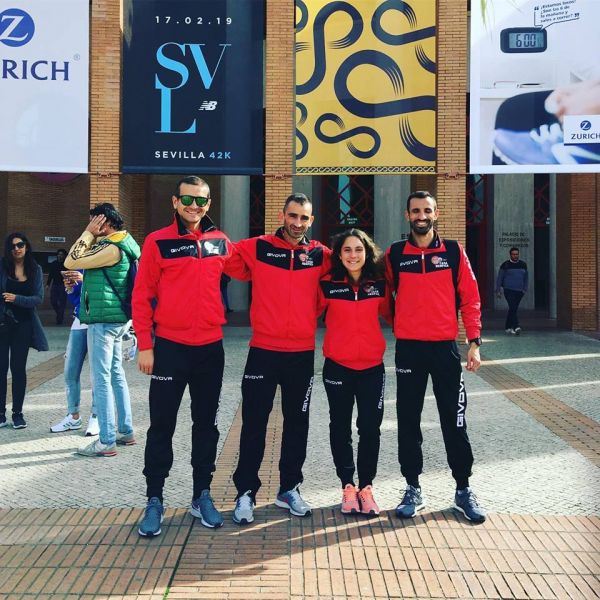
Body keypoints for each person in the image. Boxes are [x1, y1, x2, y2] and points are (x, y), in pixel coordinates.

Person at [133, 176, 235, 537]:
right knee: (162, 425)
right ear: (175, 202)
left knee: (205, 425)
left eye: (202, 201)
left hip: (210, 349)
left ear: (209, 204)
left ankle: (200, 495)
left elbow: (252, 267)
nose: (195, 206)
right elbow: (141, 295)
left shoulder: (221, 242)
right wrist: (145, 345)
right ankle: (154, 499)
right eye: (189, 199)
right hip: (171, 348)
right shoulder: (157, 242)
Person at [226, 192, 331, 525]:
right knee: (254, 423)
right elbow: (224, 258)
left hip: (301, 353)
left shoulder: (320, 254)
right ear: (283, 215)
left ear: (311, 221)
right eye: (292, 216)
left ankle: (289, 488)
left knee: (297, 424)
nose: (297, 223)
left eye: (304, 218)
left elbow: (349, 271)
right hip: (263, 351)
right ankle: (245, 493)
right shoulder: (258, 247)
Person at [385, 191, 487, 524]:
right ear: (407, 215)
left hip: (445, 349)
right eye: (415, 210)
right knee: (408, 421)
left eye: (426, 210)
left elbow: (470, 298)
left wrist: (474, 341)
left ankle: (462, 488)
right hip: (409, 349)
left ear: (436, 213)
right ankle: (412, 487)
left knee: (454, 420)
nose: (421, 215)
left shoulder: (455, 252)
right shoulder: (396, 254)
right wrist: (400, 321)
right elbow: (383, 296)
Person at [319, 229, 391, 516]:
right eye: (347, 250)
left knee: (370, 429)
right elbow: (305, 310)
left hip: (372, 367)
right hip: (338, 366)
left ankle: (367, 488)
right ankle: (348, 486)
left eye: (358, 249)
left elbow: (394, 313)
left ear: (367, 252)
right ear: (339, 254)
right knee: (340, 427)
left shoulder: (379, 284)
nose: (353, 255)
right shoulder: (328, 284)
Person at [64, 203, 140, 457]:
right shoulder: (123, 243)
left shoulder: (112, 247)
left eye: (95, 222)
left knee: (101, 379)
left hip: (104, 320)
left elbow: (71, 259)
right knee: (116, 375)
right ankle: (126, 430)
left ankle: (106, 440)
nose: (94, 228)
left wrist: (87, 232)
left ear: (103, 222)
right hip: (115, 318)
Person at [0, 233, 48, 429]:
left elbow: (38, 299)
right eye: (12, 246)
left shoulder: (35, 269)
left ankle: (17, 414)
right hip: (2, 325)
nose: (17, 249)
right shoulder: (2, 267)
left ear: (26, 246)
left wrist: (16, 298)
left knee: (18, 370)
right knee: (1, 370)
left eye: (20, 245)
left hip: (24, 325)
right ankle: (1, 414)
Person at [49, 270, 99, 436]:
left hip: (99, 322)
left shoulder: (107, 258)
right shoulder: (81, 264)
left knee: (97, 375)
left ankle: (96, 417)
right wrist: (70, 288)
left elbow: (108, 291)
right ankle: (73, 416)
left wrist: (85, 280)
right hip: (79, 320)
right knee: (70, 372)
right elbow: (77, 298)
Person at [495, 247, 528, 335]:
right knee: (513, 308)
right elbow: (500, 278)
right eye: (513, 254)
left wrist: (525, 289)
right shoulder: (505, 265)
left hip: (520, 291)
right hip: (508, 290)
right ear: (510, 255)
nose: (515, 256)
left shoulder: (523, 264)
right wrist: (498, 290)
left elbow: (526, 278)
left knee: (513, 309)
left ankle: (508, 327)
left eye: (516, 254)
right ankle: (516, 326)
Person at [46, 249, 68, 324]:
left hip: (63, 286)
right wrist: (48, 284)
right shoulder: (53, 264)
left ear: (64, 256)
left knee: (62, 303)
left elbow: (69, 275)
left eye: (62, 254)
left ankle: (59, 319)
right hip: (55, 285)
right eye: (59, 254)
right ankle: (59, 313)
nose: (60, 256)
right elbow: (50, 275)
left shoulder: (66, 265)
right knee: (53, 301)